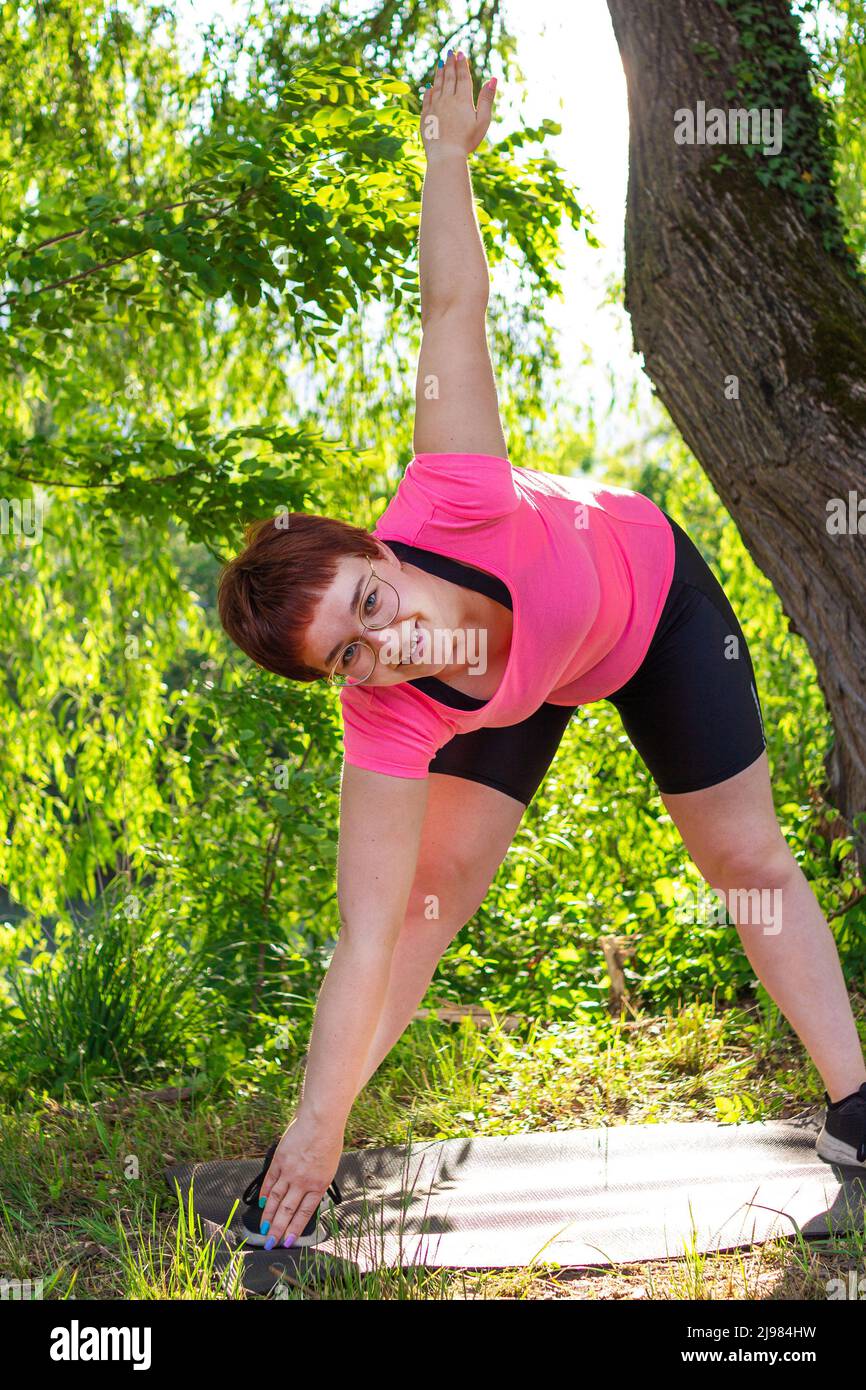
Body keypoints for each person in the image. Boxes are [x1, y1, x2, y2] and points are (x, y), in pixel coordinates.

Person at [216, 51, 866, 1254]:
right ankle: (314, 1155)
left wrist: (444, 156)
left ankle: (857, 1108)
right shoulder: (390, 712)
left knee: (741, 856)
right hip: (522, 688)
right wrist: (310, 1126)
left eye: (368, 600)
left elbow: (447, 312)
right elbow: (365, 935)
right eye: (346, 659)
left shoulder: (452, 489)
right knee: (421, 904)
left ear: (384, 548)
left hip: (649, 606)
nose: (383, 642)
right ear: (336, 687)